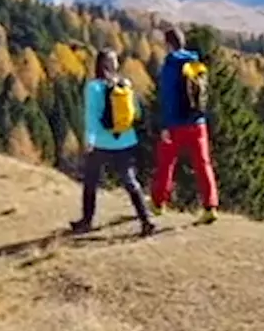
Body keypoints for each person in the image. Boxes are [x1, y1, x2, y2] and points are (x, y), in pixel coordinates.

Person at [70, 48, 157, 237]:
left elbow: (91, 116)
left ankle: (86, 221)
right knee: (130, 181)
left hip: (101, 142)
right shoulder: (125, 84)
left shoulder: (93, 87)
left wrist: (89, 140)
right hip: (125, 140)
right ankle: (146, 220)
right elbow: (137, 113)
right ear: (114, 65)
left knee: (91, 181)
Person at [151, 26, 220, 224]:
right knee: (203, 164)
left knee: (166, 163)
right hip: (198, 122)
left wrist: (165, 125)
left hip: (175, 124)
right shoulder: (195, 62)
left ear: (168, 44)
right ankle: (210, 206)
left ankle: (158, 203)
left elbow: (168, 98)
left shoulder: (170, 66)